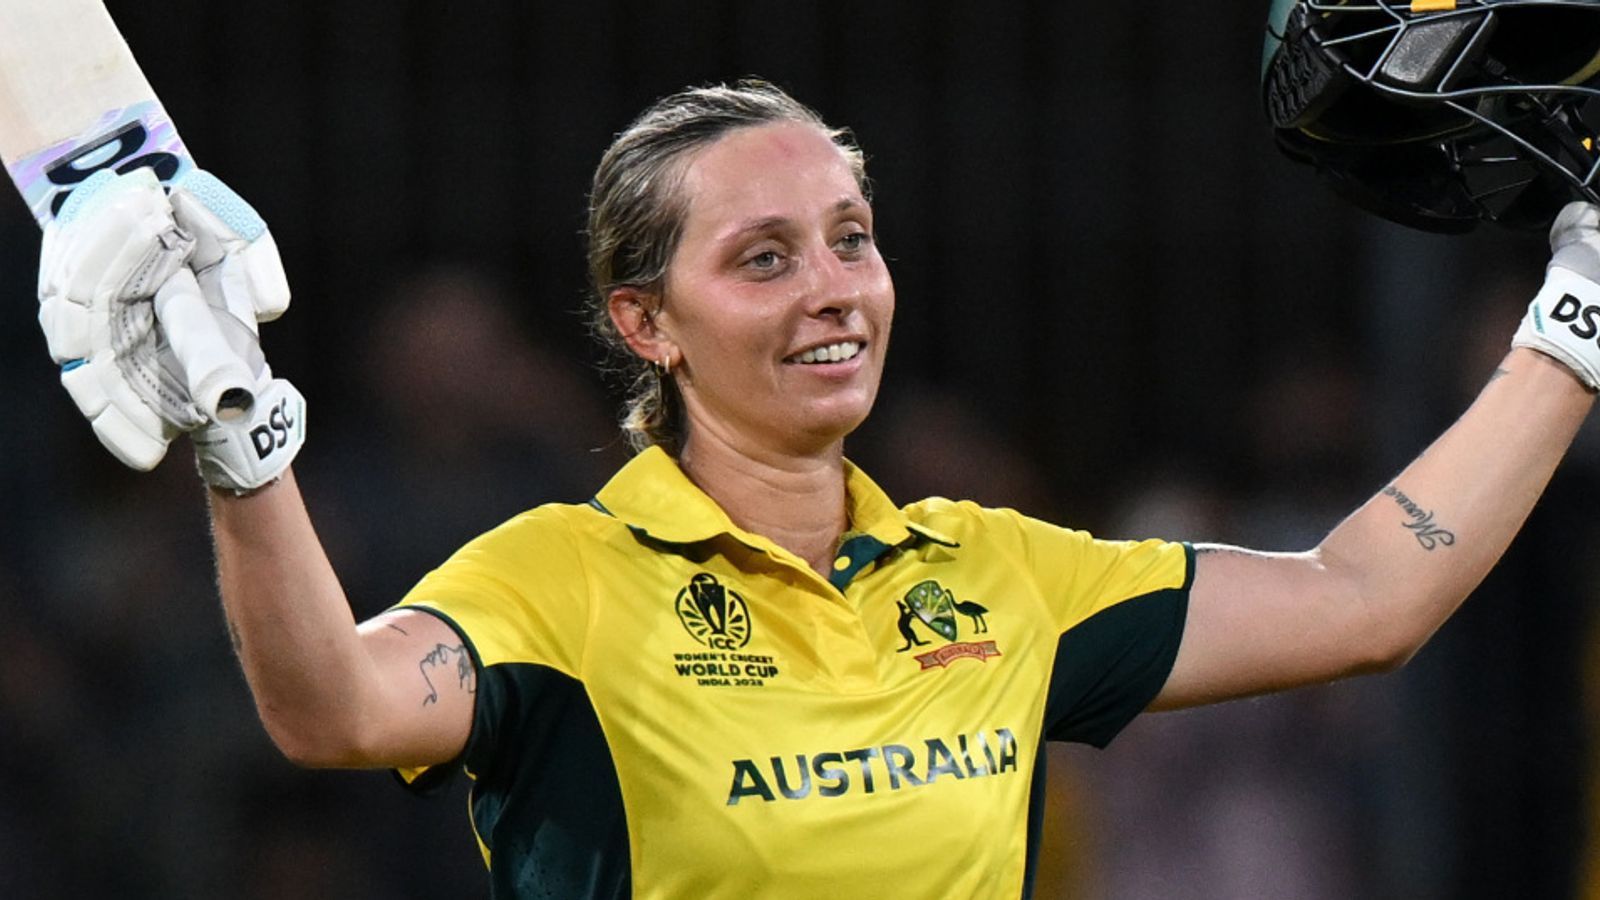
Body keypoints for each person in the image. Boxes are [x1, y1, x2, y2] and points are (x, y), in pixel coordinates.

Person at [32, 80, 1600, 899]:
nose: (833, 289)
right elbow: (335, 711)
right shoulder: (557, 583)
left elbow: (1366, 598)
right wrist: (239, 446)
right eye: (764, 258)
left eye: (851, 239)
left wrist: (1574, 316)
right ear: (646, 323)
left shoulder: (998, 577)